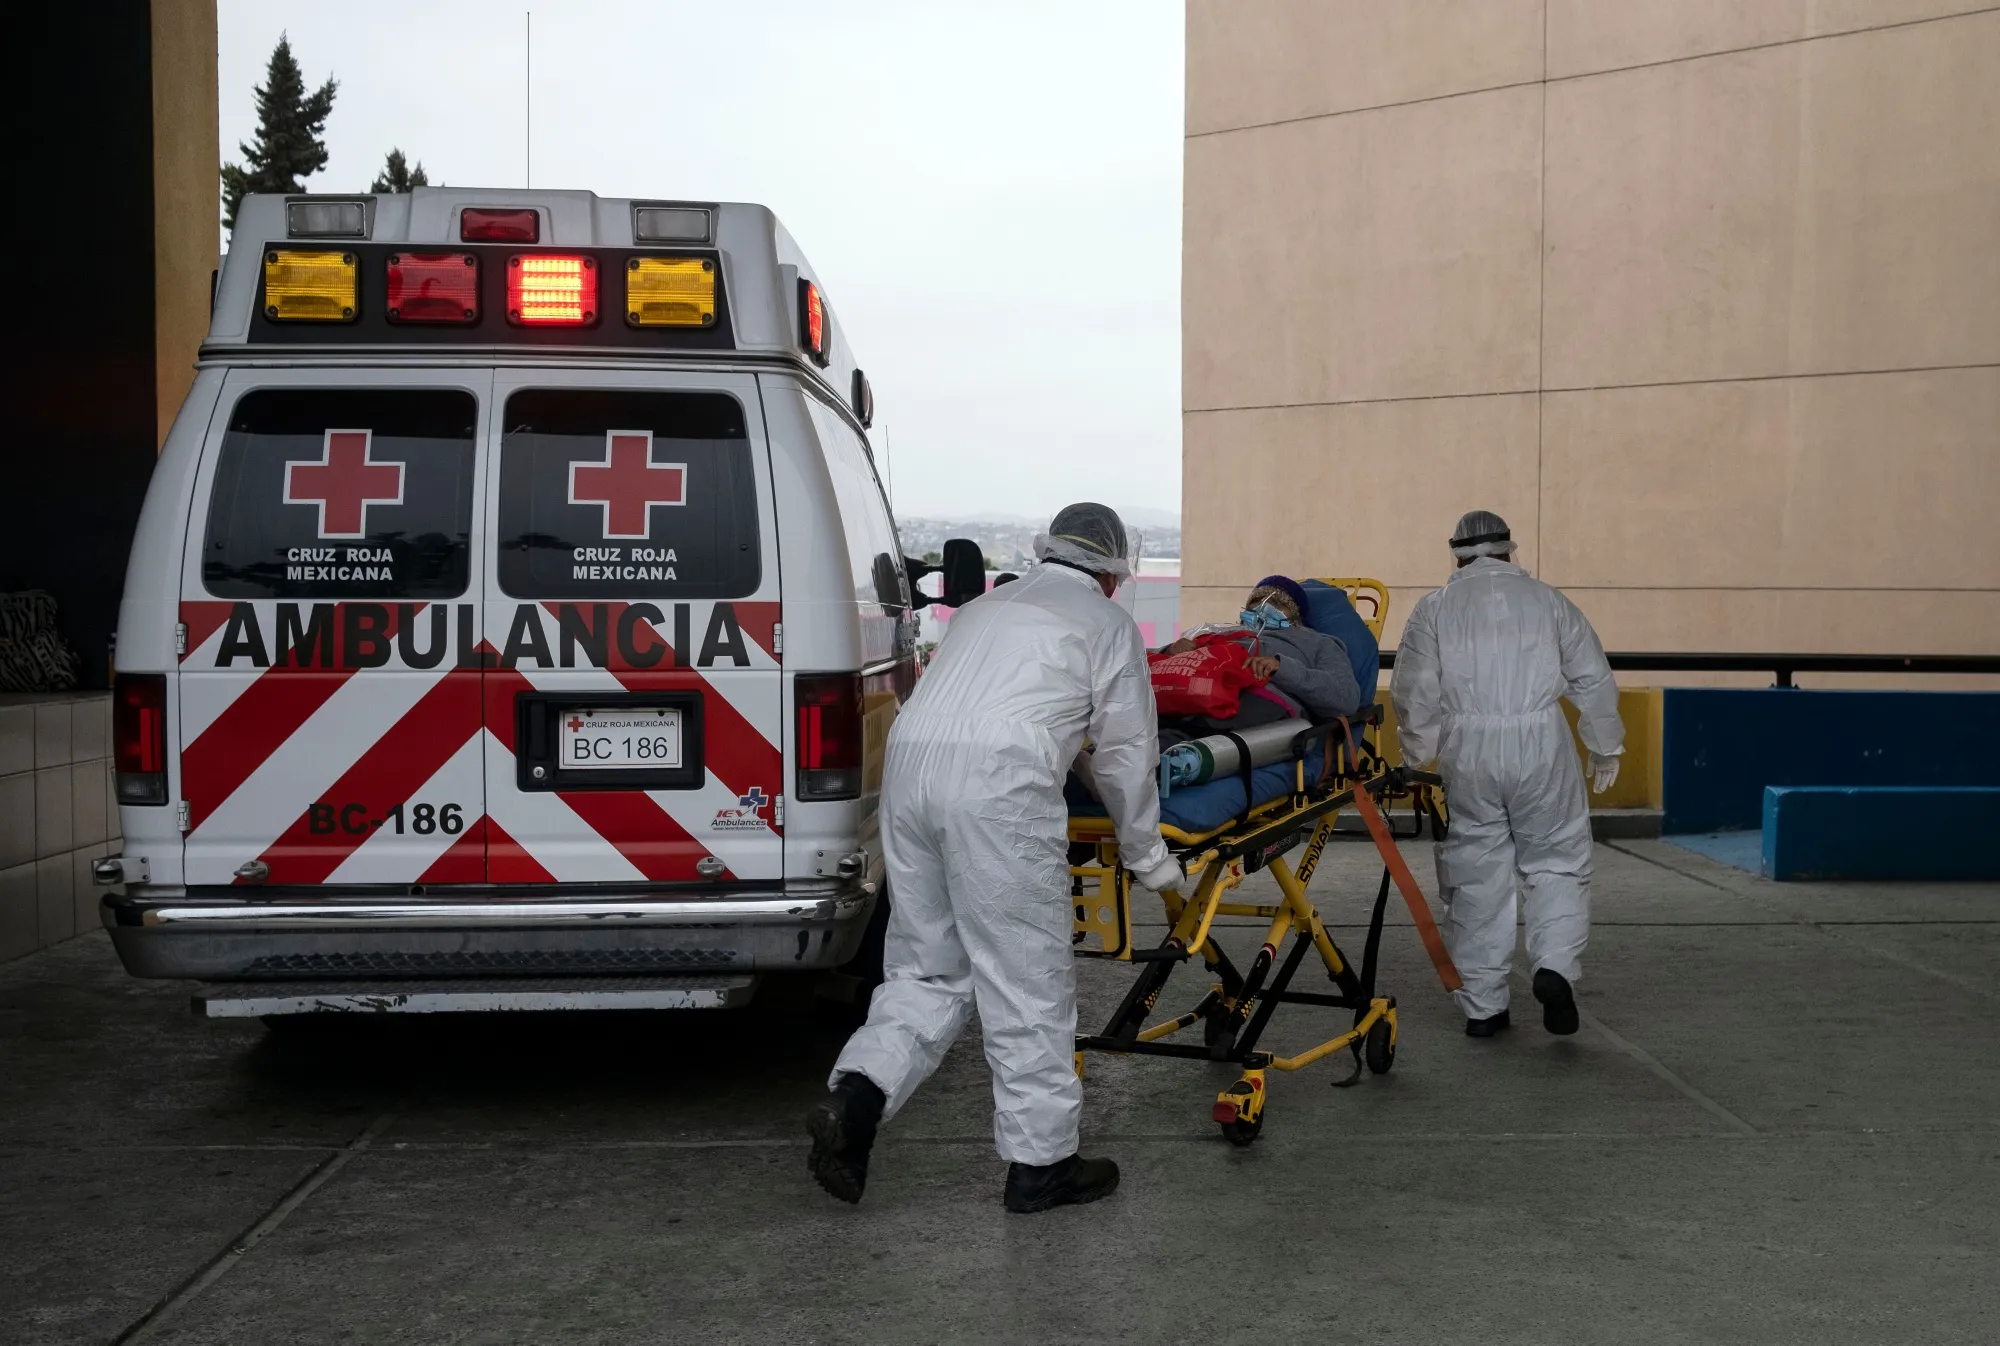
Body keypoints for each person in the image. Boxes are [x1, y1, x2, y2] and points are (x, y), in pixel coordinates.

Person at [807, 503, 1181, 1213]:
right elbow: (1128, 754)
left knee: (926, 966)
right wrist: (1148, 855)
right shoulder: (1105, 624)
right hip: (998, 791)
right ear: (1111, 573)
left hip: (911, 778)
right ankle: (1043, 1165)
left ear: (1048, 552)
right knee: (1026, 979)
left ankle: (855, 1101)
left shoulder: (984, 608)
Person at [1390, 511, 1623, 1039]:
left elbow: (1415, 691)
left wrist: (1415, 756)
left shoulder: (1434, 609)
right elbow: (1593, 676)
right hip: (1542, 743)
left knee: (1475, 870)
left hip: (1467, 748)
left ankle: (1484, 1007)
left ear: (1457, 555)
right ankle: (1554, 967)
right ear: (1509, 551)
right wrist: (1605, 747)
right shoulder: (1550, 602)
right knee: (1558, 859)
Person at [1158, 576, 1361, 725]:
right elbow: (1143, 663)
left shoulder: (1318, 643)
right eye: (1256, 602)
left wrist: (1281, 668)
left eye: (1279, 604)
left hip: (1257, 696)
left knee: (1190, 729)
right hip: (1195, 689)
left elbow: (1346, 697)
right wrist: (1170, 650)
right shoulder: (1227, 632)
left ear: (1297, 617)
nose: (1263, 608)